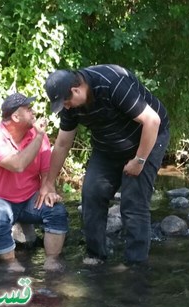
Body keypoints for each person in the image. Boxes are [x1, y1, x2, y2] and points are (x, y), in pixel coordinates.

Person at [37, 65, 169, 266]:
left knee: (133, 203)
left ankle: (135, 266)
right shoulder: (71, 105)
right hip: (107, 147)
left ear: (76, 90)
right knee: (91, 195)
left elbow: (152, 121)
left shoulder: (112, 83)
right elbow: (63, 143)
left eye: (67, 102)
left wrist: (139, 160)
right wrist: (49, 182)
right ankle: (96, 257)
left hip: (148, 139)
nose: (67, 107)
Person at [0, 93, 68, 272]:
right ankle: (10, 265)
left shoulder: (37, 135)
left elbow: (46, 171)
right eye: (28, 109)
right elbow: (17, 164)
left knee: (56, 210)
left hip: (29, 200)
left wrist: (47, 188)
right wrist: (39, 136)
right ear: (15, 116)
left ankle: (51, 260)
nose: (33, 112)